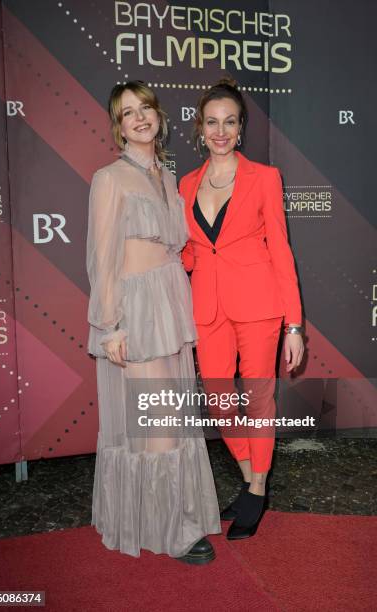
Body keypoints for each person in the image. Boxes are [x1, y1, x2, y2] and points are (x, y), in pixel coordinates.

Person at [86, 81, 221, 563]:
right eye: (127, 113)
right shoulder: (109, 178)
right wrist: (109, 326)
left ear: (159, 115)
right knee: (158, 424)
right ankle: (174, 531)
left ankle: (168, 518)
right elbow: (102, 258)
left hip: (171, 304)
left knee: (176, 422)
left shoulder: (168, 176)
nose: (139, 118)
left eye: (145, 108)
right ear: (117, 126)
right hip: (135, 312)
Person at [179, 78, 304, 540]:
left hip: (259, 306)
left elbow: (282, 251)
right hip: (208, 308)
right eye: (212, 122)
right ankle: (254, 479)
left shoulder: (264, 178)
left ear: (240, 128)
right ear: (200, 127)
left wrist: (294, 325)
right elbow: (194, 251)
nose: (220, 131)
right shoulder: (186, 183)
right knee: (218, 402)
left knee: (257, 400)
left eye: (229, 122)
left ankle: (255, 488)